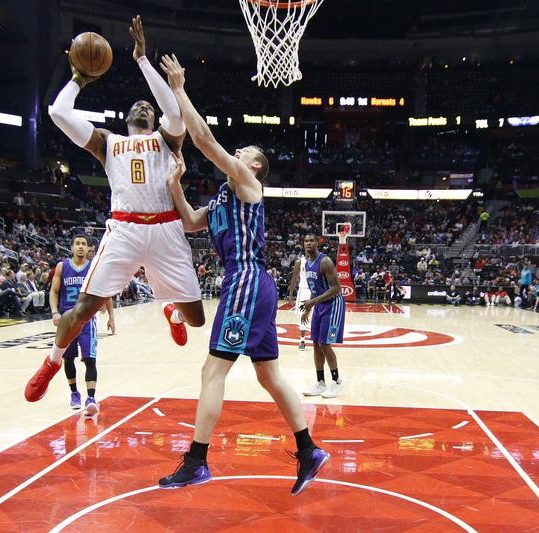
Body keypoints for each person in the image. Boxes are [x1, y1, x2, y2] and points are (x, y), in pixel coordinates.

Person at [156, 54, 328, 495]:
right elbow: (193, 222)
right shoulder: (221, 198)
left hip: (247, 281)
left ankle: (196, 461)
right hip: (255, 286)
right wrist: (175, 184)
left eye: (246, 153)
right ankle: (309, 450)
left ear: (253, 167)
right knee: (269, 375)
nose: (239, 152)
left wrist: (178, 88)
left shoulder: (250, 185)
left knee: (213, 372)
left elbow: (205, 139)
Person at [25, 16, 205, 402]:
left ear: (152, 118)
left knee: (197, 318)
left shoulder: (167, 140)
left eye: (148, 106)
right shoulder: (107, 142)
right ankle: (53, 361)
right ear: (127, 119)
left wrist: (141, 60)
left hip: (165, 230)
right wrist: (78, 78)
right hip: (123, 230)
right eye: (137, 105)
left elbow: (175, 112)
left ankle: (171, 310)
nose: (144, 106)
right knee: (83, 310)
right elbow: (58, 113)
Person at [50, 234, 115, 415]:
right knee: (68, 359)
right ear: (71, 248)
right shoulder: (62, 267)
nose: (80, 247)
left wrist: (111, 316)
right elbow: (54, 291)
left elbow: (105, 291)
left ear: (88, 249)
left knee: (90, 358)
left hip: (88, 320)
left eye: (84, 244)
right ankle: (74, 394)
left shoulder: (94, 267)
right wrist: (55, 312)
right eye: (77, 244)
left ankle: (91, 397)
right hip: (67, 319)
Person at [298, 233, 345, 399]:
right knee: (316, 344)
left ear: (317, 243)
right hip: (319, 304)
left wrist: (313, 302)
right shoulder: (307, 263)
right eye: (306, 241)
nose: (308, 243)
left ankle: (337, 381)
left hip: (333, 304)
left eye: (311, 241)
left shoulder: (325, 261)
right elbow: (314, 288)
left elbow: (336, 288)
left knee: (324, 343)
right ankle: (320, 382)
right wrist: (308, 309)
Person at [287, 253, 312, 350]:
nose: (309, 245)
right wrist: (290, 295)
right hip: (304, 291)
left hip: (316, 292)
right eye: (306, 242)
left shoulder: (320, 261)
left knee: (317, 315)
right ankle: (302, 340)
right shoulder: (299, 262)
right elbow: (294, 278)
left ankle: (319, 340)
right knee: (303, 316)